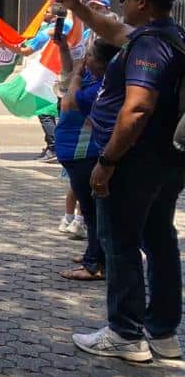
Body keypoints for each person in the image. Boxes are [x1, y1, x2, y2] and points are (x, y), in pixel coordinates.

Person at [53, 0, 185, 362]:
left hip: (134, 160)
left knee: (120, 242)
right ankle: (162, 332)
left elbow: (138, 107)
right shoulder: (170, 36)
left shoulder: (150, 47)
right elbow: (112, 28)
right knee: (158, 238)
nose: (122, 4)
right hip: (166, 160)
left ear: (142, 1)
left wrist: (107, 161)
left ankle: (125, 332)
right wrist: (77, 8)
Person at [54, 33, 120, 282]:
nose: (85, 58)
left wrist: (78, 77)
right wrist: (63, 49)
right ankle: (93, 253)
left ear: (103, 63)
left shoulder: (97, 89)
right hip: (74, 155)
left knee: (92, 212)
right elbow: (68, 73)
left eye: (90, 55)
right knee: (91, 209)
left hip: (85, 154)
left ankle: (96, 264)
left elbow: (69, 102)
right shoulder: (94, 78)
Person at [15, 7, 60, 162]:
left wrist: (7, 46)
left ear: (55, 14)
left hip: (46, 76)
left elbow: (27, 50)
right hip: (57, 75)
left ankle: (54, 148)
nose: (44, 14)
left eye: (47, 12)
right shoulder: (65, 27)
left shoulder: (49, 31)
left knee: (45, 112)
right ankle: (51, 146)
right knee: (53, 112)